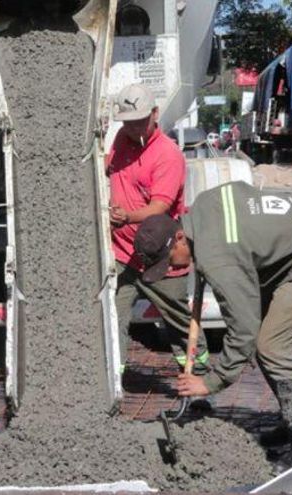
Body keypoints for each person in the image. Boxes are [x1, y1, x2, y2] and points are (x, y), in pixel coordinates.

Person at [135, 182, 292, 470]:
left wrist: (211, 381)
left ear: (179, 238)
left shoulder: (218, 259)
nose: (173, 268)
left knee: (273, 346)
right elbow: (239, 193)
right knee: (269, 342)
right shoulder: (203, 207)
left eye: (170, 260)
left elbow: (243, 329)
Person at [107, 83, 196, 371]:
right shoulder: (122, 138)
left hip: (161, 255)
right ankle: (114, 384)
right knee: (113, 318)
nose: (133, 129)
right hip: (123, 254)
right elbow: (109, 169)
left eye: (139, 122)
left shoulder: (167, 155)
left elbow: (160, 207)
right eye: (128, 123)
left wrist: (126, 217)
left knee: (179, 320)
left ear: (155, 114)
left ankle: (197, 378)